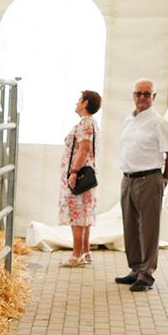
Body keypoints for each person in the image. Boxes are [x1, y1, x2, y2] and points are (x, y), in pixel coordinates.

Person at [114, 79, 168, 292]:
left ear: (154, 97)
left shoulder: (159, 123)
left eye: (146, 94)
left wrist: (164, 179)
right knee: (130, 225)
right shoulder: (128, 120)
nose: (142, 97)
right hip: (128, 178)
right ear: (133, 95)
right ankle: (135, 269)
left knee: (149, 228)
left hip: (149, 178)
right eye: (138, 93)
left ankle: (147, 274)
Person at [60, 89, 101, 266]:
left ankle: (77, 254)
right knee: (85, 213)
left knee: (77, 214)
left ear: (85, 103)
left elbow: (84, 149)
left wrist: (74, 173)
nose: (76, 103)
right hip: (88, 173)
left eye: (79, 100)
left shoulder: (85, 124)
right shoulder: (91, 122)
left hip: (80, 173)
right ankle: (85, 251)